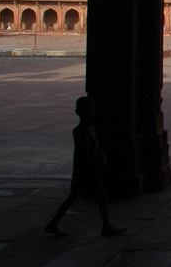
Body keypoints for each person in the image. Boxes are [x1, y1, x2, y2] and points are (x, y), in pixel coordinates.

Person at [44, 96, 125, 237]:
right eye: (86, 110)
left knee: (77, 196)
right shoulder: (80, 131)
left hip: (88, 169)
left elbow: (96, 148)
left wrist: (101, 161)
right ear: (78, 112)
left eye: (91, 109)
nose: (89, 112)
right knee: (91, 195)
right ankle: (106, 226)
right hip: (86, 170)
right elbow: (85, 151)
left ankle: (53, 224)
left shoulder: (90, 128)